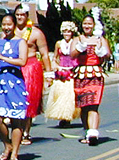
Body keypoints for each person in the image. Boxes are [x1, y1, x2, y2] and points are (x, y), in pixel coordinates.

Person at [0, 13, 28, 160]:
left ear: (14, 25)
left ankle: (15, 153)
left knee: (16, 119)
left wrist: (3, 58)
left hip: (15, 82)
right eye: (4, 25)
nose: (6, 28)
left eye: (9, 24)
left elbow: (22, 61)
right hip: (0, 82)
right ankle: (7, 145)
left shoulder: (20, 42)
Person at [13, 4, 52, 144]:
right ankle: (16, 129)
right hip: (14, 66)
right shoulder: (10, 31)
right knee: (15, 100)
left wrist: (49, 74)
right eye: (17, 14)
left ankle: (26, 132)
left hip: (31, 67)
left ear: (27, 16)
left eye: (22, 14)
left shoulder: (36, 33)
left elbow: (45, 54)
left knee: (28, 100)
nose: (19, 17)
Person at [71, 14, 110, 145]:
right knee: (84, 106)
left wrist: (101, 51)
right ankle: (87, 130)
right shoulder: (77, 39)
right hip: (81, 74)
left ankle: (93, 132)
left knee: (93, 104)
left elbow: (108, 55)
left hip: (95, 73)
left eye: (89, 24)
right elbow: (72, 55)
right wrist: (80, 47)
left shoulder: (100, 39)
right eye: (85, 23)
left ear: (93, 25)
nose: (87, 26)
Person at [45, 21, 80, 127]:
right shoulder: (59, 44)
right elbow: (55, 57)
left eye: (69, 32)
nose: (67, 34)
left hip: (72, 71)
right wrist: (55, 65)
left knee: (70, 96)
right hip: (61, 71)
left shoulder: (75, 43)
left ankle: (68, 116)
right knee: (61, 95)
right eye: (65, 32)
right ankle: (62, 116)